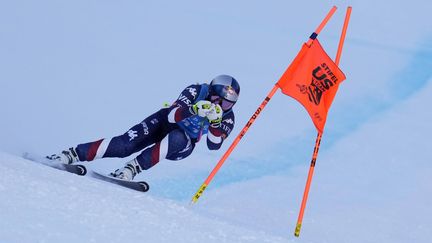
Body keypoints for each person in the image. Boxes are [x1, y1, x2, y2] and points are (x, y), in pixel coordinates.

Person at [46, 75, 240, 181]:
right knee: (124, 146)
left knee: (179, 137)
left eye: (226, 104)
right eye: (217, 99)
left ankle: (130, 170)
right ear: (211, 93)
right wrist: (194, 109)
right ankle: (69, 154)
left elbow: (214, 146)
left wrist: (215, 122)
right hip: (164, 121)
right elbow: (173, 115)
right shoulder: (197, 91)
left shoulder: (227, 118)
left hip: (182, 144)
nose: (220, 106)